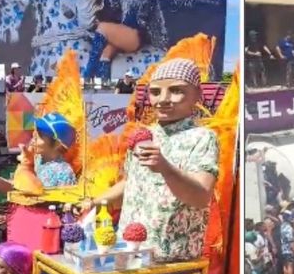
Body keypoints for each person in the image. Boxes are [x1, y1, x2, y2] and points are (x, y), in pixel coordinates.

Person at [81, 59, 218, 262]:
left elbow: (201, 197)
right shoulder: (143, 135)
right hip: (127, 250)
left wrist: (165, 168)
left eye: (176, 91)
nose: (163, 99)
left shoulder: (202, 137)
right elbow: (132, 182)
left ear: (197, 95)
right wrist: (96, 202)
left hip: (172, 259)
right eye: (155, 92)